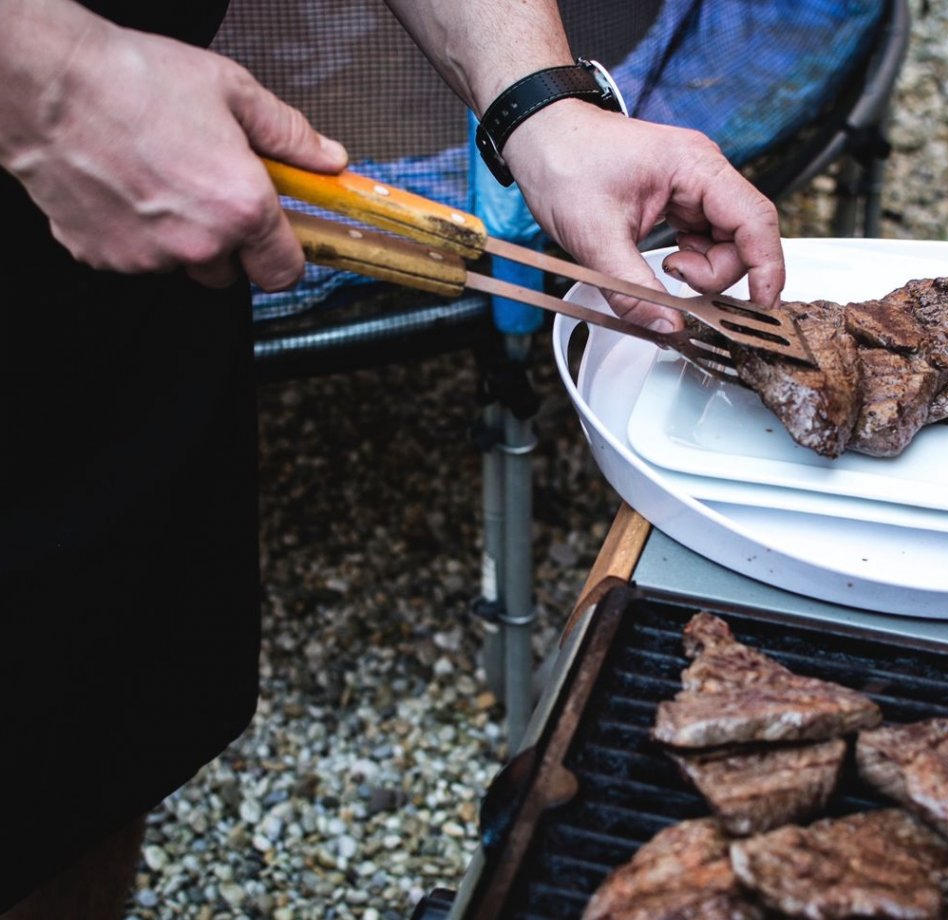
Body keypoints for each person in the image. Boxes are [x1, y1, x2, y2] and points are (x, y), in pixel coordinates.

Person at [0, 0, 785, 915]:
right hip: (79, 119)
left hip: (145, 203)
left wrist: (541, 107)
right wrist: (48, 80)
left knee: (76, 749)